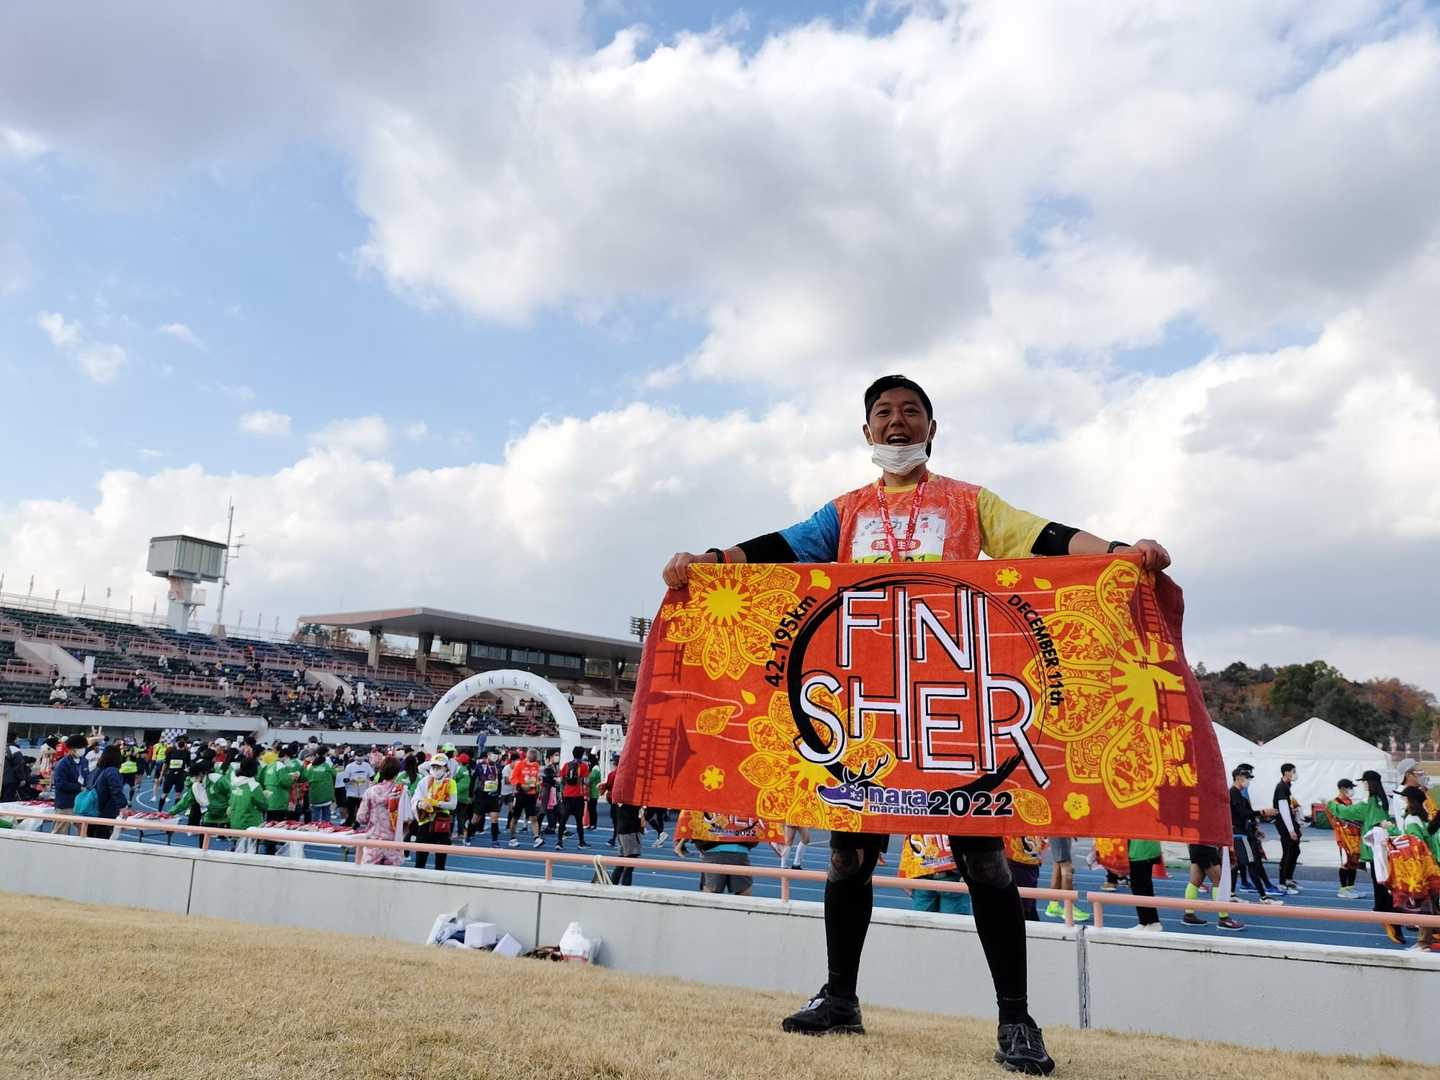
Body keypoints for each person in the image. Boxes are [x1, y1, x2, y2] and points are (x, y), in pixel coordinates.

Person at [660, 373, 1173, 1072]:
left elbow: (1040, 535)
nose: (896, 423)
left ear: (932, 428)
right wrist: (712, 561)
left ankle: (1017, 1020)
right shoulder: (844, 512)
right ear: (866, 431)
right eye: (883, 413)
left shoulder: (968, 501)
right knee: (848, 857)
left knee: (984, 861)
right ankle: (840, 998)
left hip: (952, 708)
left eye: (910, 412)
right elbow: (784, 545)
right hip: (866, 711)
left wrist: (1115, 551)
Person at [1329, 771, 1403, 944]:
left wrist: (1332, 806)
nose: (1362, 785)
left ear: (1369, 783)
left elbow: (1350, 812)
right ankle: (1381, 908)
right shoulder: (1380, 799)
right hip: (1380, 845)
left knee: (1380, 880)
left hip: (1375, 847)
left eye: (1364, 782)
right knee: (1381, 878)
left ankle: (1385, 910)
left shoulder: (1371, 801)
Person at [1228, 764, 1283, 905]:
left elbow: (1246, 814)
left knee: (1236, 865)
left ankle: (1231, 894)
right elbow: (1243, 813)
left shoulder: (1239, 794)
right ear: (1238, 777)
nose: (1249, 781)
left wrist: (1255, 828)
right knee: (1251, 863)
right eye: (1247, 778)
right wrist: (1263, 812)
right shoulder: (1234, 793)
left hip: (1240, 833)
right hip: (1239, 835)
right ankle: (1263, 896)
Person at [1397, 786, 1440, 952]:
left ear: (1411, 801)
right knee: (1431, 904)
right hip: (1432, 865)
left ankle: (1424, 943)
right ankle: (1427, 940)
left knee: (1423, 905)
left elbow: (1416, 847)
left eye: (1404, 799)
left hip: (1422, 868)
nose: (1403, 802)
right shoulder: (1423, 818)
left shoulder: (1411, 821)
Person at [902, 835, 972, 916]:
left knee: (923, 920)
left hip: (923, 873)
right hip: (951, 874)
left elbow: (909, 836)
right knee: (952, 921)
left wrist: (904, 873)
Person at [1182, 841, 1243, 931]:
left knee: (1195, 882)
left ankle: (1189, 915)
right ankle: (1224, 918)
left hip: (1195, 846)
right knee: (1218, 882)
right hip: (1207, 846)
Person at [356, 758, 406, 866]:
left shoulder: (370, 791)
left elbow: (361, 817)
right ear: (397, 773)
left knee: (369, 874)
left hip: (373, 843)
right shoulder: (402, 792)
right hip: (393, 844)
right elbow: (407, 819)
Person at [412, 753, 457, 871]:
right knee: (419, 862)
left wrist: (436, 803)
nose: (436, 770)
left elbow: (453, 805)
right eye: (433, 767)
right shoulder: (424, 781)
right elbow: (416, 798)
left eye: (439, 767)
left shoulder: (450, 783)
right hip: (425, 822)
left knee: (440, 863)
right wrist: (420, 804)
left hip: (441, 824)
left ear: (445, 768)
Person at [1272, 763, 1303, 894]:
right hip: (1284, 825)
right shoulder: (1281, 787)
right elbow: (1283, 809)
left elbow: (1289, 807)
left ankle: (1288, 878)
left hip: (1290, 823)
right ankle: (1282, 882)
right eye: (1293, 771)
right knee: (1288, 852)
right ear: (1286, 772)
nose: (1295, 774)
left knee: (1295, 851)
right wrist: (1291, 830)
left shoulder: (1287, 786)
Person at [50, 734, 91, 835]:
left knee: (83, 831)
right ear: (72, 749)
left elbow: (87, 777)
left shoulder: (84, 761)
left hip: (81, 803)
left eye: (84, 747)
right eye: (80, 748)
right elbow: (61, 784)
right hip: (66, 803)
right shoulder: (62, 764)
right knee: (60, 831)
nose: (83, 750)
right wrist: (79, 788)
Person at [1043, 837, 1090, 923]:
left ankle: (1053, 905)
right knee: (1066, 865)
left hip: (1060, 832)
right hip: (1059, 832)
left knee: (1058, 864)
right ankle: (1069, 908)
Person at [226, 758, 267, 854]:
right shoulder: (254, 786)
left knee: (237, 851)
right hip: (251, 823)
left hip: (235, 821)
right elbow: (263, 806)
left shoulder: (233, 783)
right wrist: (265, 796)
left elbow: (231, 801)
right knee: (250, 853)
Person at [1330, 778, 1363, 899]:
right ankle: (1343, 889)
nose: (1352, 790)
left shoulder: (1349, 801)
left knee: (1353, 861)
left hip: (1353, 837)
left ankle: (1350, 887)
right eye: (1350, 788)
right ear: (1343, 789)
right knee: (1345, 862)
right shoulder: (1335, 803)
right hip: (1343, 838)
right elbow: (1335, 821)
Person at [87, 744, 127, 840]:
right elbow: (116, 790)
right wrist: (123, 806)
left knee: (91, 837)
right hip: (105, 811)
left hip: (92, 810)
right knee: (102, 838)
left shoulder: (96, 770)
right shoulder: (112, 771)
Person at [508, 749, 544, 849]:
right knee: (515, 817)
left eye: (535, 760)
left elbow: (538, 778)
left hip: (531, 795)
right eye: (532, 759)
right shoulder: (519, 765)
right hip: (521, 794)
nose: (533, 762)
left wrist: (538, 784)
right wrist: (521, 785)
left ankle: (537, 838)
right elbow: (512, 778)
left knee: (533, 817)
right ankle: (512, 838)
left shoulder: (536, 765)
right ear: (527, 757)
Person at [556, 746, 590, 849]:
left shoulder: (566, 765)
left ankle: (559, 842)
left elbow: (561, 780)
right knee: (579, 821)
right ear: (582, 754)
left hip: (567, 795)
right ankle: (581, 842)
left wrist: (562, 792)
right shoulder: (584, 766)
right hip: (578, 796)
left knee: (563, 819)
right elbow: (586, 781)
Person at [1126, 838, 1163, 931]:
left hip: (1140, 850)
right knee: (1143, 886)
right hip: (1142, 849)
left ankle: (1152, 922)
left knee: (1140, 887)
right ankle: (1146, 921)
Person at [470, 747, 504, 846]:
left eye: (497, 755)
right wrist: (470, 794)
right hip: (482, 796)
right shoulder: (480, 766)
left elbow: (499, 781)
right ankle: (468, 836)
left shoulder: (498, 767)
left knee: (494, 818)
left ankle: (495, 841)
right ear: (488, 755)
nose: (495, 757)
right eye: (493, 755)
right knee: (475, 819)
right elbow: (473, 779)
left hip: (493, 796)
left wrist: (499, 793)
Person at [302, 750, 338, 824]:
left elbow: (305, 777)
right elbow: (335, 773)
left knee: (315, 816)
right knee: (326, 815)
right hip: (326, 794)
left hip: (314, 795)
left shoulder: (310, 766)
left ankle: (314, 828)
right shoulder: (327, 765)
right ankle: (326, 827)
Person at [339, 753, 374, 828]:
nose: (360, 759)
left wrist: (370, 780)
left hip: (363, 792)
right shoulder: (349, 766)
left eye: (361, 756)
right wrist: (350, 780)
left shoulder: (367, 766)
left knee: (361, 810)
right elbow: (345, 779)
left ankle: (357, 823)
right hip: (352, 792)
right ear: (354, 757)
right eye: (358, 756)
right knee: (351, 811)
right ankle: (348, 823)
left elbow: (372, 777)